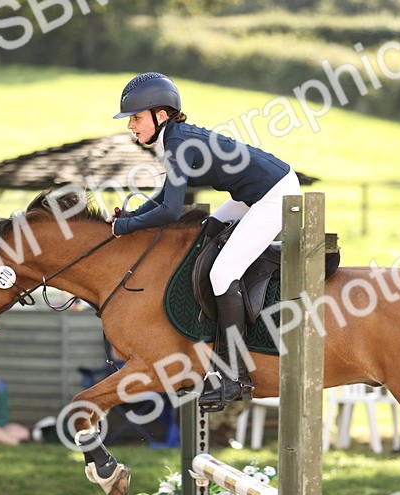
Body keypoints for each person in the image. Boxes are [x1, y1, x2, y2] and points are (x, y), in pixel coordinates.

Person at [110, 72, 301, 412]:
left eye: (136, 118)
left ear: (161, 114)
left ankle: (234, 374)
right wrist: (130, 216)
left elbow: (171, 211)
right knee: (204, 235)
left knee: (222, 273)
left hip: (274, 195)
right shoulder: (174, 138)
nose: (131, 126)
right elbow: (165, 197)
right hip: (251, 195)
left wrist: (126, 226)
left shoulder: (177, 143)